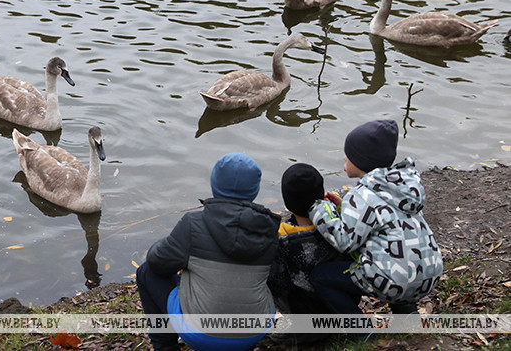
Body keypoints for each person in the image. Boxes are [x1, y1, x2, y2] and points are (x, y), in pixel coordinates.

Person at [136, 152, 280, 351]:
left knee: (146, 272)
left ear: (214, 185)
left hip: (200, 334)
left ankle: (165, 347)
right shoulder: (270, 229)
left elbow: (156, 262)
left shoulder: (193, 224)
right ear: (254, 191)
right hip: (255, 331)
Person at [308, 119, 443, 316]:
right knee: (396, 257)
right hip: (429, 275)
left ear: (362, 161)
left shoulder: (361, 194)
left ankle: (360, 330)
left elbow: (344, 241)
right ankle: (407, 314)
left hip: (394, 281)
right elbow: (381, 217)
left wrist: (319, 209)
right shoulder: (401, 188)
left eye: (350, 155)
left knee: (322, 277)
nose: (345, 158)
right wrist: (344, 206)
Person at [267, 163, 346, 344]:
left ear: (287, 203)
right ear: (322, 195)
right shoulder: (340, 229)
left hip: (301, 308)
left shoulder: (279, 236)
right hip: (340, 300)